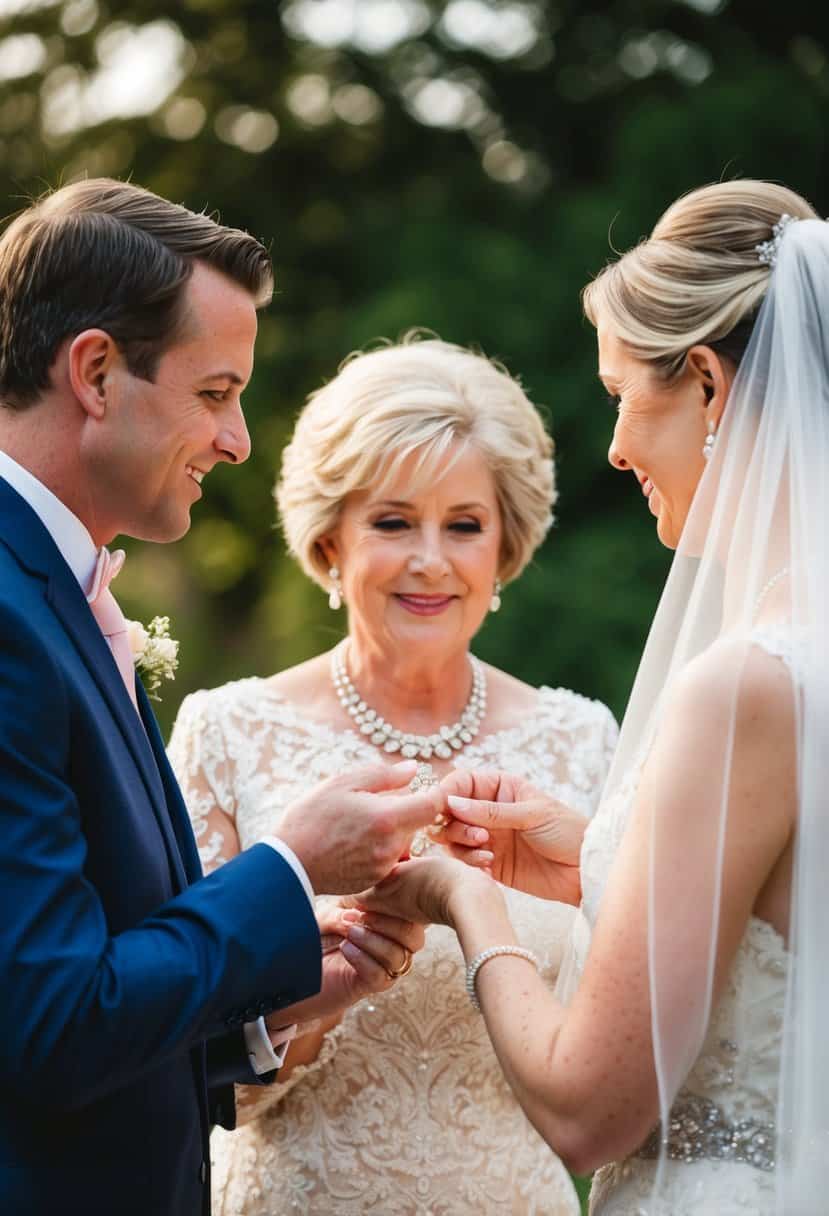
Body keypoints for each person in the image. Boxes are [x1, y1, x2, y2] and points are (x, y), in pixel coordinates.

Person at [358, 181, 824, 1215]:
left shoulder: (748, 684)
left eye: (624, 392)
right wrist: (595, 858)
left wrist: (464, 899)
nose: (614, 446)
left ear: (706, 382)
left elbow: (587, 1110)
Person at [0, 179, 442, 1216]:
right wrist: (290, 869)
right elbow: (51, 1024)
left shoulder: (58, 594)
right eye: (214, 393)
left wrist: (270, 1009)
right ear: (97, 373)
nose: (239, 440)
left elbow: (79, 995)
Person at [168, 335, 618, 1215]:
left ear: (504, 549)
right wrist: (314, 991)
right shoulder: (226, 731)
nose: (429, 560)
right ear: (329, 541)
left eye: (462, 524)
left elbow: (622, 1040)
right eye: (391, 521)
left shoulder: (584, 738)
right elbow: (174, 1065)